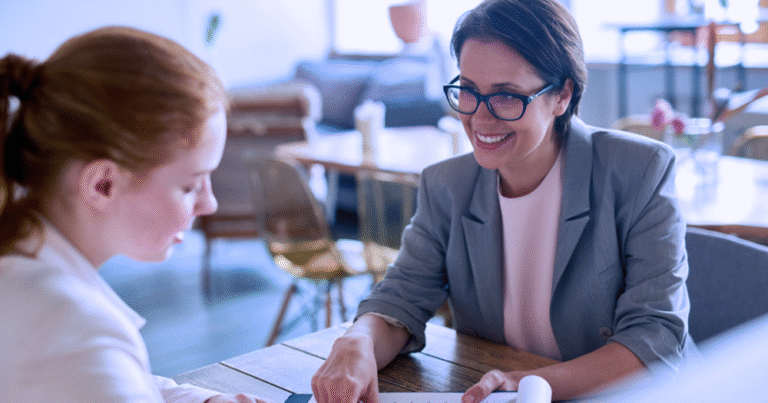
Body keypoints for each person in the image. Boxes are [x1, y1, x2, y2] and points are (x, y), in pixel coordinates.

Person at [311, 0, 694, 402]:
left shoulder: (639, 171)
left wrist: (537, 383)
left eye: (507, 96)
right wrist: (358, 340)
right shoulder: (448, 186)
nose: (479, 117)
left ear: (562, 94)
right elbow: (400, 298)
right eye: (468, 91)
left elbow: (656, 339)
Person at [0, 26, 270, 403]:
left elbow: (106, 382)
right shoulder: (70, 332)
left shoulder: (24, 265)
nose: (209, 204)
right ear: (102, 186)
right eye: (191, 185)